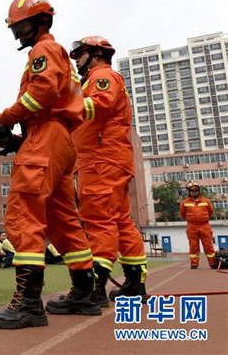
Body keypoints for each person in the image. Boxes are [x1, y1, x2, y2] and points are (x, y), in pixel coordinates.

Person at [0, 0, 99, 330]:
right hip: (61, 140)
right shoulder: (59, 54)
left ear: (41, 22)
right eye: (15, 29)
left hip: (46, 136)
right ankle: (84, 293)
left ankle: (28, 304)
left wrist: (4, 118)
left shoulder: (44, 50)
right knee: (62, 220)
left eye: (22, 27)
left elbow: (42, 93)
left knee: (23, 214)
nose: (18, 35)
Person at [68, 36, 148, 306]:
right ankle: (135, 284)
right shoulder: (99, 79)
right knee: (121, 222)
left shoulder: (102, 76)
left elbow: (99, 105)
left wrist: (65, 107)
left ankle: (95, 290)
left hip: (101, 160)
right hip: (112, 159)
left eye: (79, 55)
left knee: (98, 220)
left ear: (96, 55)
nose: (76, 61)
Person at [180, 182, 217, 269]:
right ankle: (194, 263)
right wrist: (192, 219)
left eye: (196, 191)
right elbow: (182, 213)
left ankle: (212, 263)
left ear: (198, 191)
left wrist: (202, 218)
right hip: (192, 226)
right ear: (189, 192)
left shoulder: (206, 201)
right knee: (193, 246)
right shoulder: (184, 202)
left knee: (208, 245)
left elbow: (210, 211)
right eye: (192, 191)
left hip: (204, 226)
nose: (194, 192)